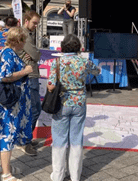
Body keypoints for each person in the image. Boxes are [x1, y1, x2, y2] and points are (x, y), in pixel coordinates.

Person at [48, 34, 100, 181]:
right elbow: (97, 71)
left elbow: (51, 85)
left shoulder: (57, 63)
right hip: (79, 103)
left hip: (61, 104)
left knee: (59, 140)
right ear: (79, 48)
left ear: (62, 47)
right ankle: (75, 176)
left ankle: (58, 175)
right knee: (76, 139)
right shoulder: (84, 62)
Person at [0, 27, 33, 181]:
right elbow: (5, 76)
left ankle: (5, 168)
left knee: (8, 134)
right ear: (17, 40)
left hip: (12, 103)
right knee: (8, 134)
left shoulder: (9, 52)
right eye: (23, 40)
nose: (25, 43)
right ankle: (6, 174)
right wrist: (25, 71)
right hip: (10, 105)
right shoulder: (8, 53)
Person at [17, 10, 41, 155]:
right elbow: (36, 55)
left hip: (30, 75)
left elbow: (34, 54)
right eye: (34, 23)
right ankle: (24, 141)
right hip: (30, 76)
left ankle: (25, 139)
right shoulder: (25, 35)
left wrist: (33, 53)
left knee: (31, 110)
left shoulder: (25, 34)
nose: (36, 26)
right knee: (34, 110)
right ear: (26, 20)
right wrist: (33, 53)